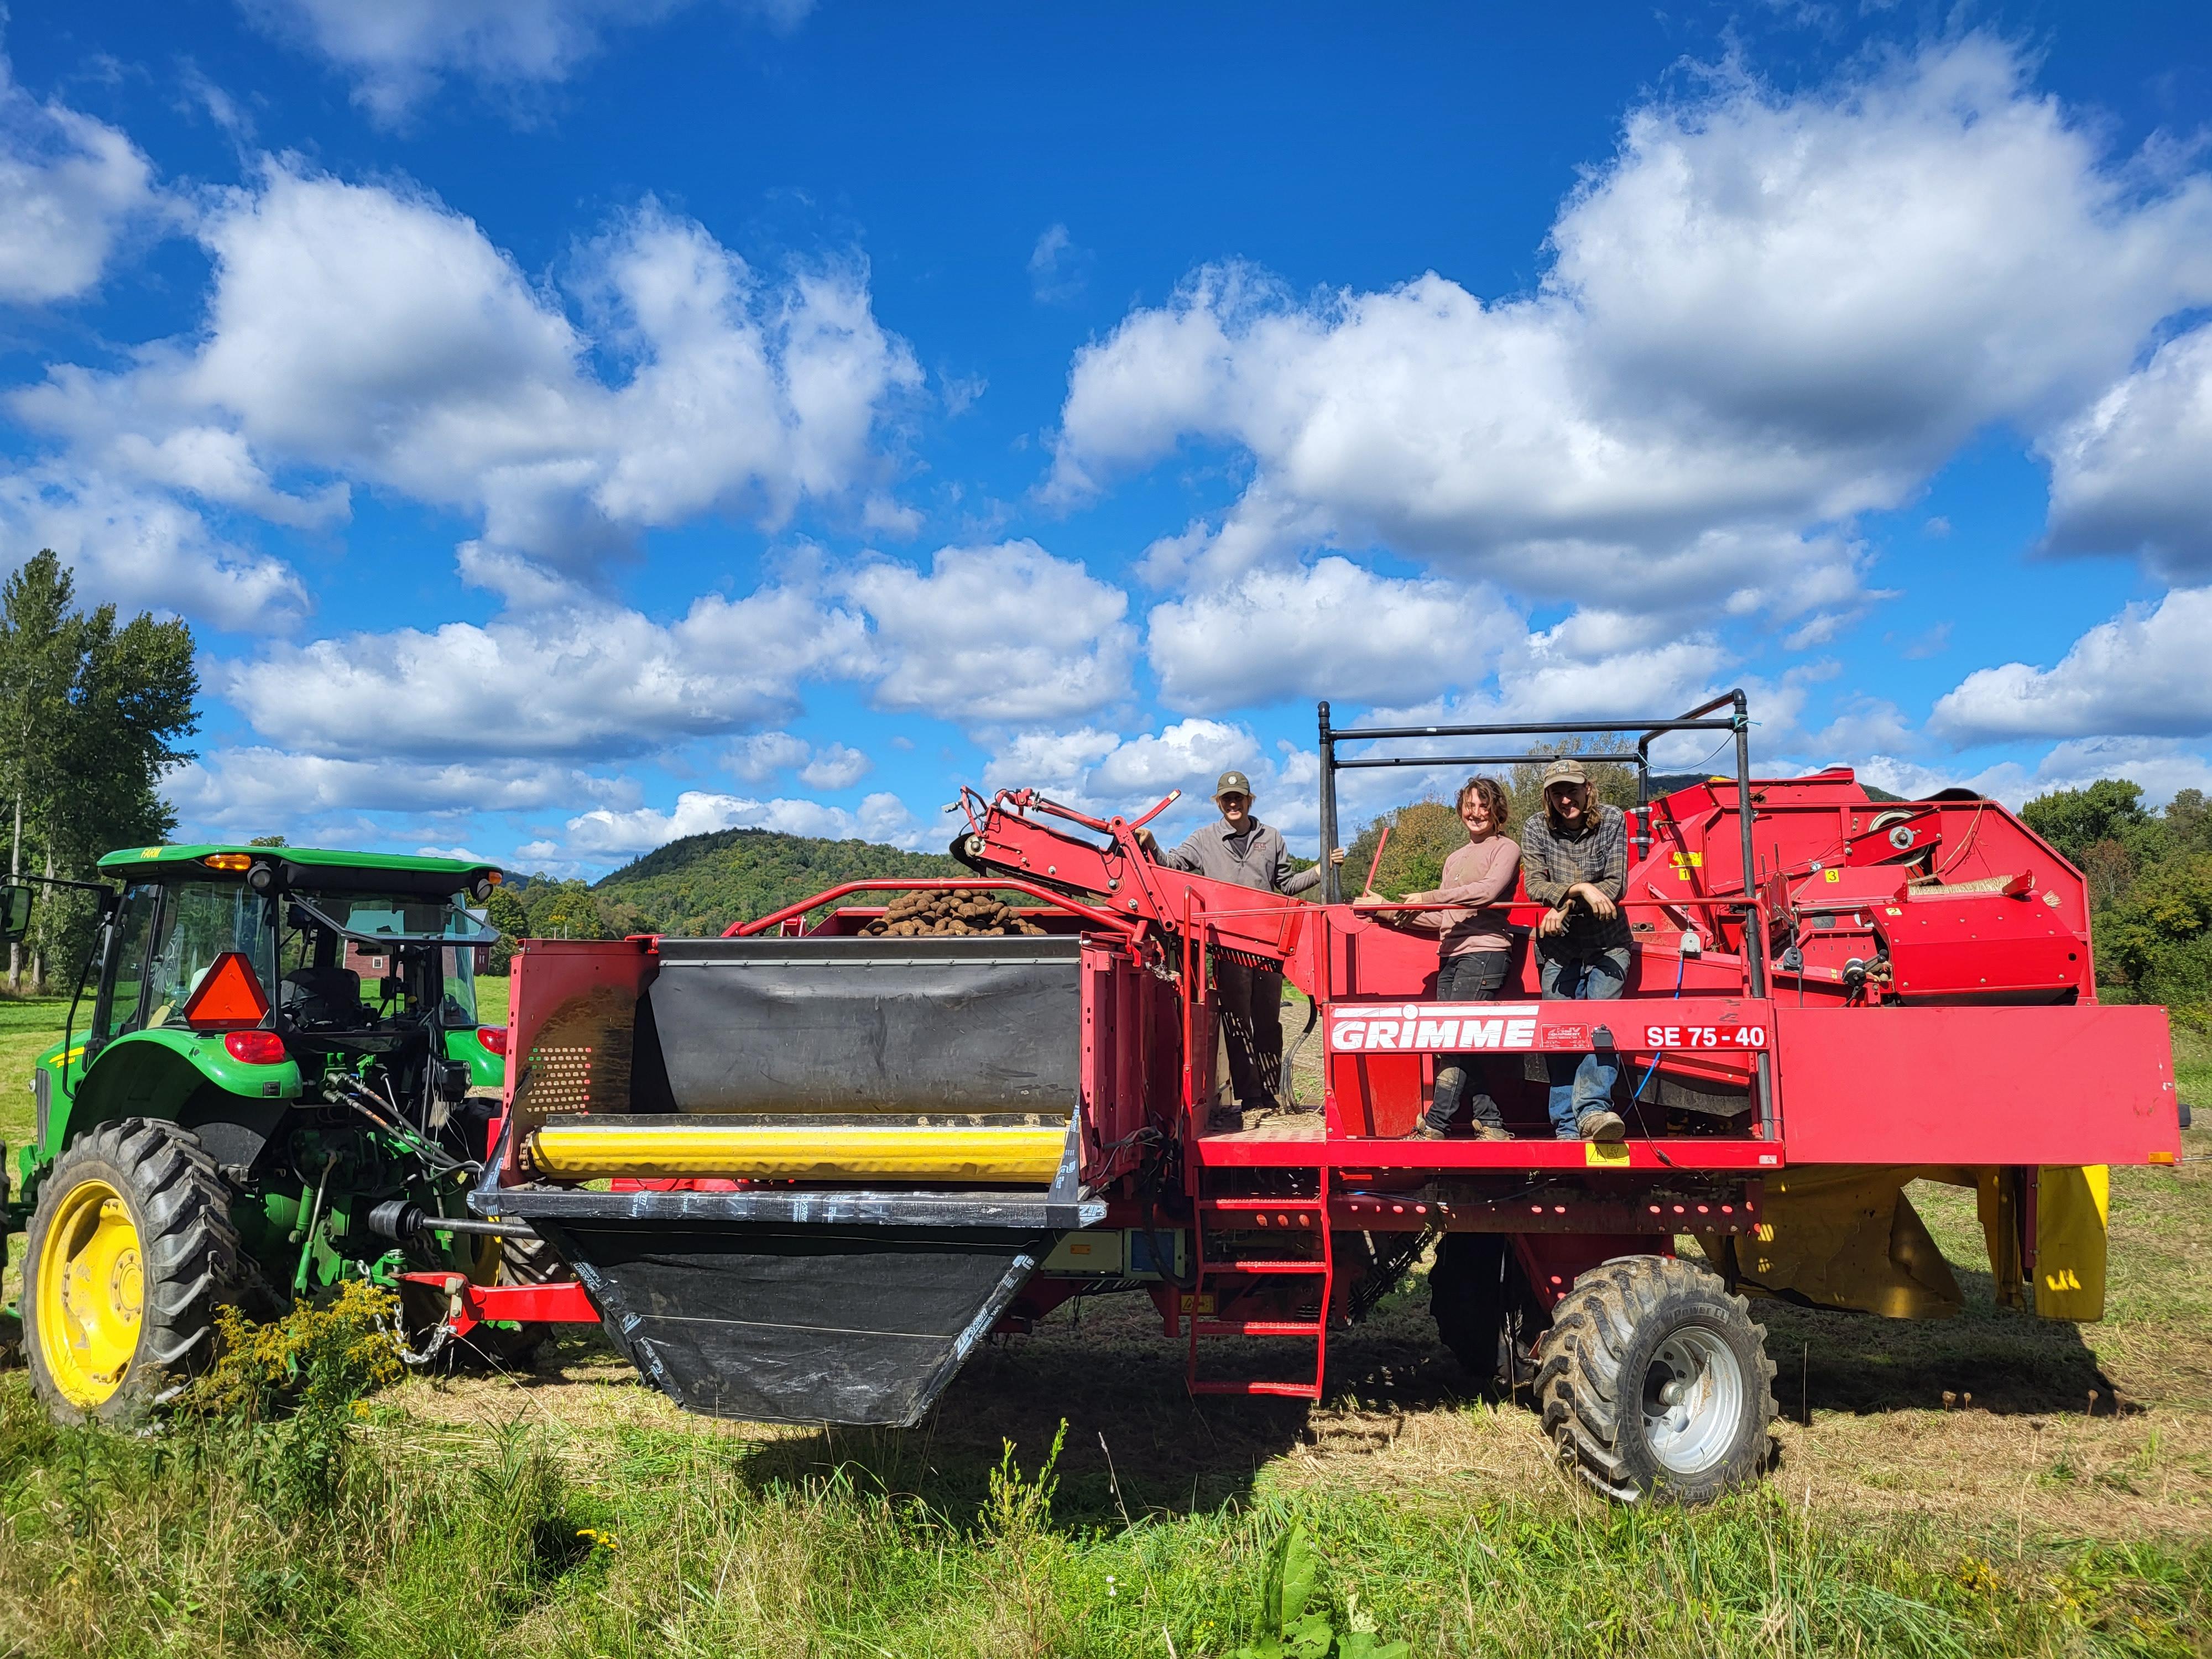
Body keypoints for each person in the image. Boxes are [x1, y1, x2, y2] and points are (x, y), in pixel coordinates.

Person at [1141, 771, 1343, 1127]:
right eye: (1227, 799)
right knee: (1237, 1023)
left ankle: (1270, 1093)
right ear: (1219, 803)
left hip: (1269, 947)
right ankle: (1250, 1097)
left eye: (1239, 798)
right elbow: (1171, 865)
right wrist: (1152, 843)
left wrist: (1320, 869)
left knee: (1268, 1022)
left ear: (1250, 800)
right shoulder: (1203, 839)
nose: (1233, 804)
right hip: (1227, 946)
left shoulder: (1272, 837)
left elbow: (1286, 884)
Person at [1358, 776, 1520, 1141]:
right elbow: (1443, 918)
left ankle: (1435, 1126)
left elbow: (1487, 892)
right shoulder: (1454, 859)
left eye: (1484, 806)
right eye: (1470, 806)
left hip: (1484, 953)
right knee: (1460, 1043)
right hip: (1449, 957)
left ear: (1497, 810)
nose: (1476, 813)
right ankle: (1492, 1125)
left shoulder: (1505, 848)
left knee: (1454, 1040)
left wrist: (1428, 897)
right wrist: (1385, 909)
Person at [1519, 757, 1630, 1142]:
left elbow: (1615, 885)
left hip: (1608, 941)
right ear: (1548, 797)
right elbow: (1534, 885)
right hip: (1559, 947)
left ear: (1588, 789)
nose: (1566, 800)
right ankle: (1567, 1128)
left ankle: (1594, 1113)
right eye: (1557, 793)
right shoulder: (1536, 827)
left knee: (1601, 1028)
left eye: (1572, 790)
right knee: (1560, 1034)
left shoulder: (1613, 819)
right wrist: (1581, 890)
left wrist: (1563, 904)